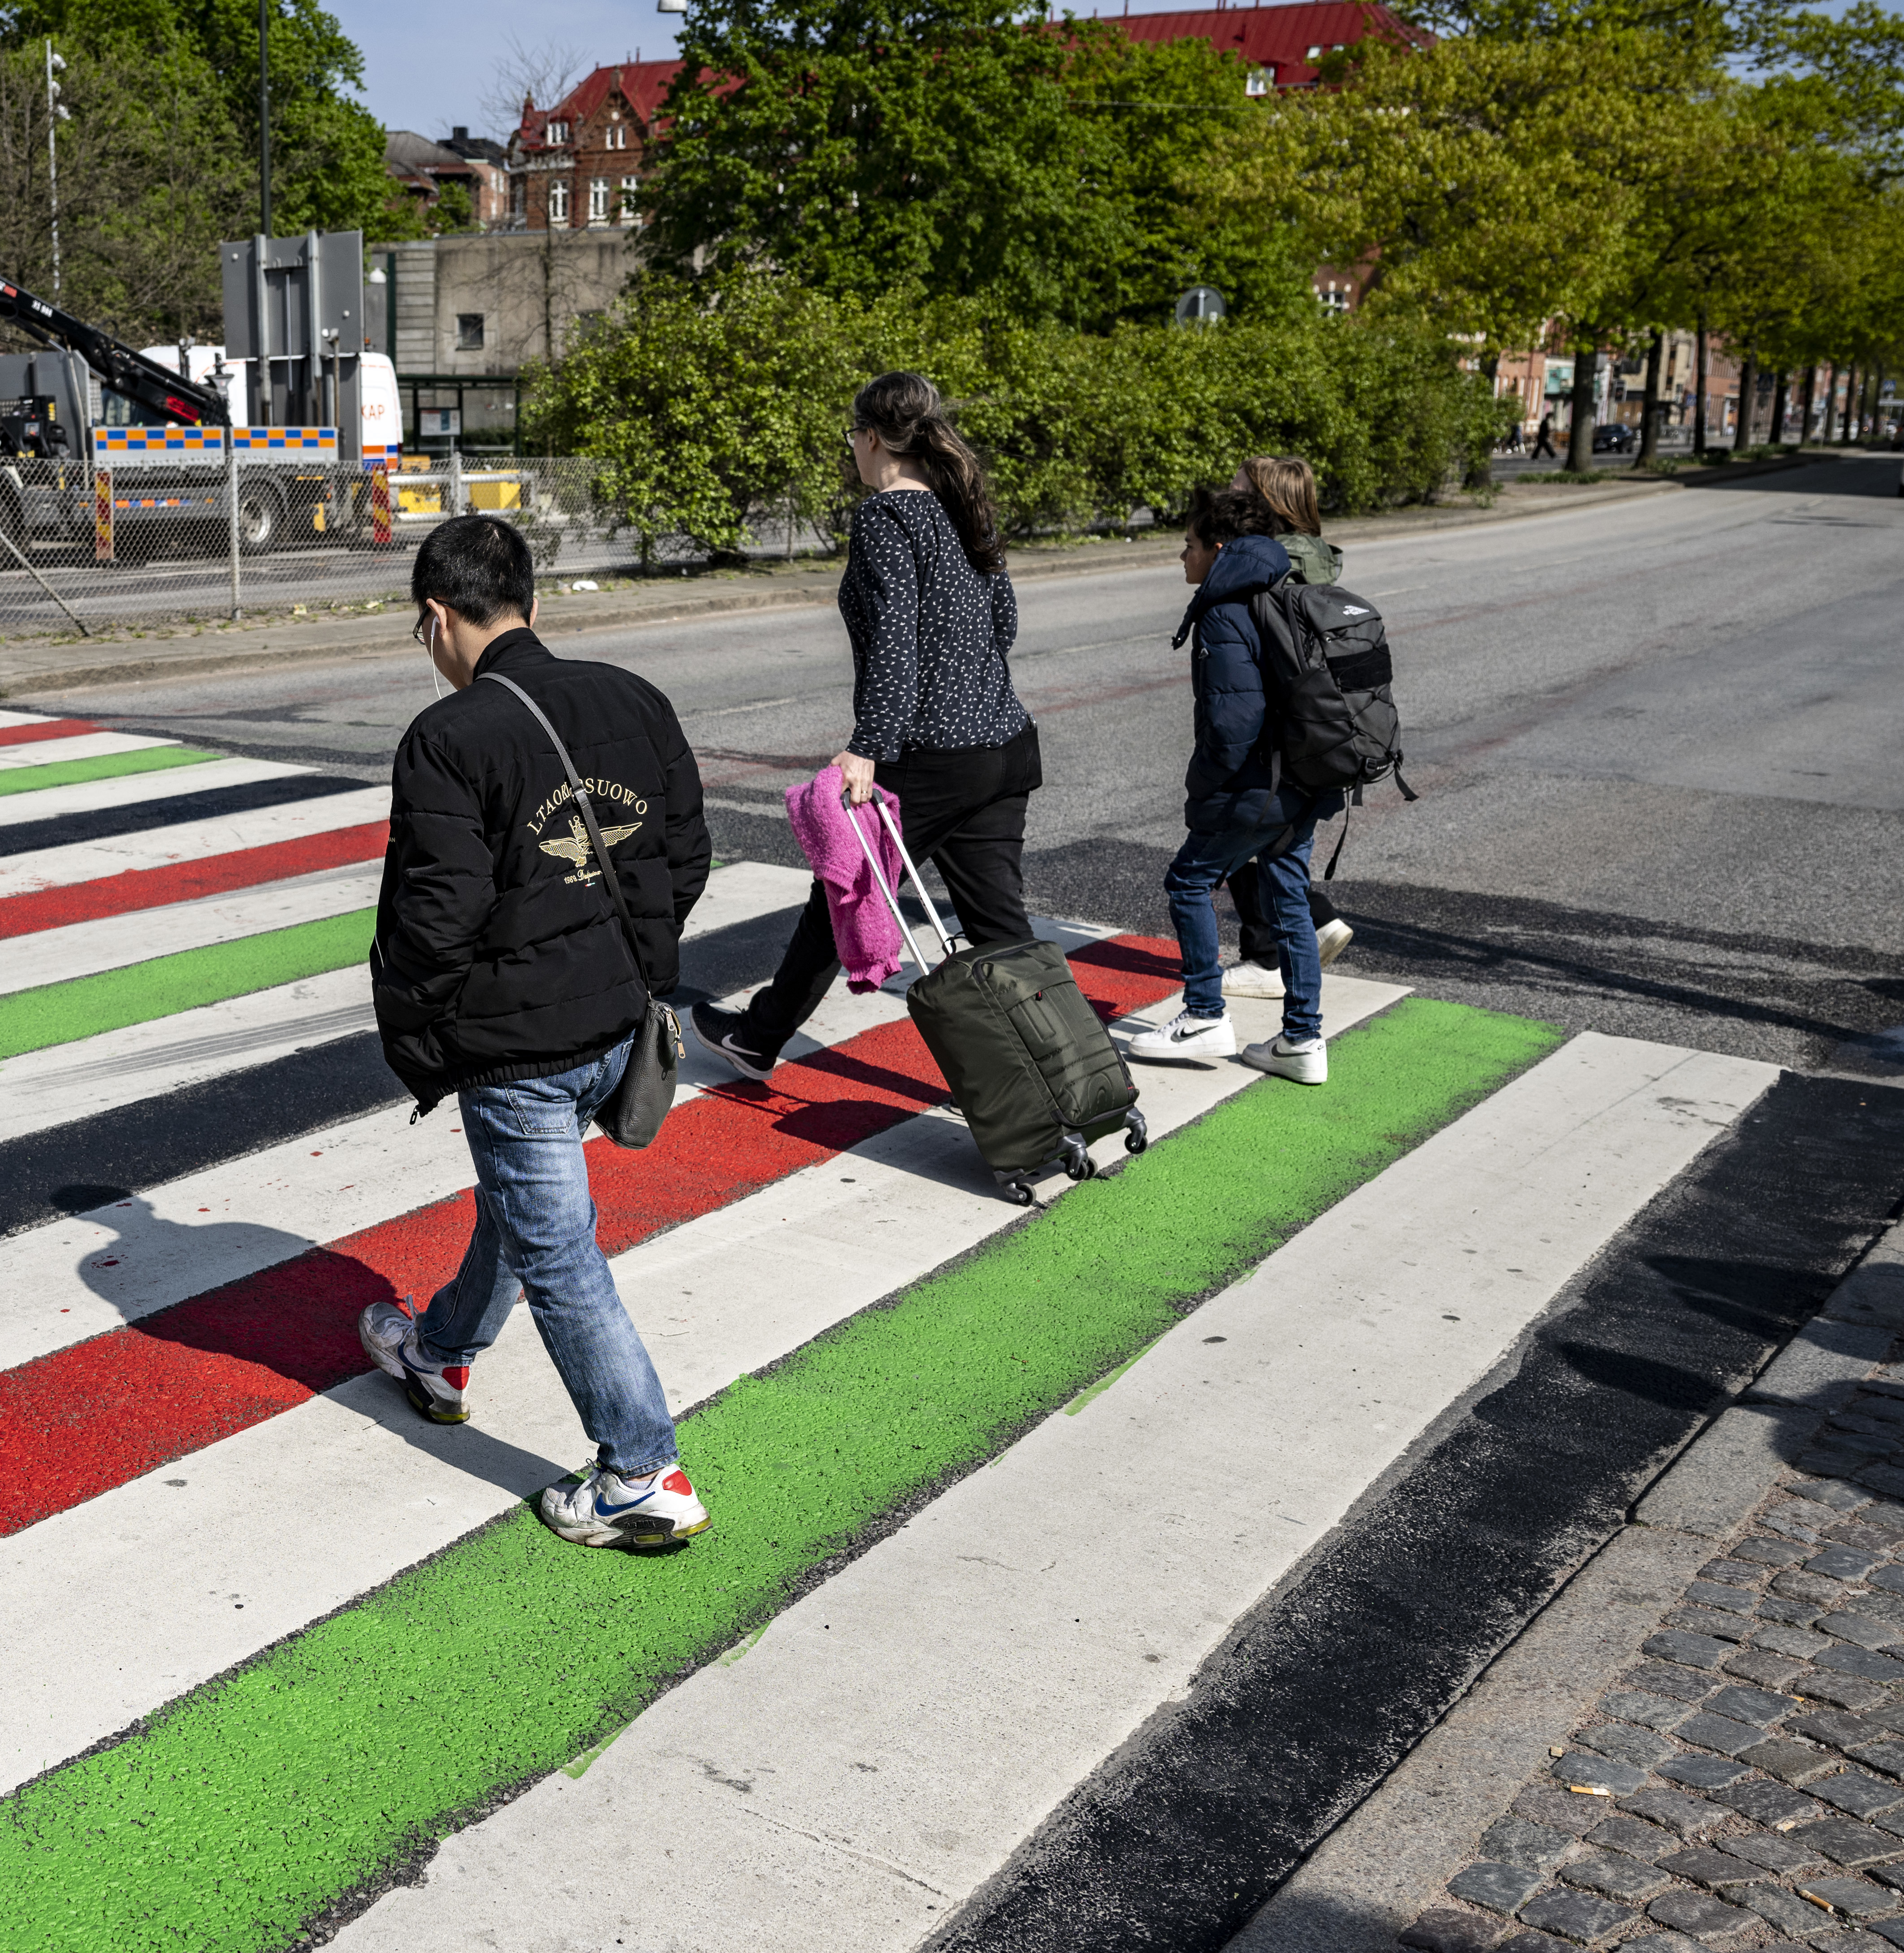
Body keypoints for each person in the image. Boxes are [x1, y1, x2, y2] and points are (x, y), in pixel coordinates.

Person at [355, 513, 715, 1551]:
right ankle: (440, 1352)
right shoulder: (633, 698)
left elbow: (435, 921)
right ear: (531, 603)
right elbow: (684, 856)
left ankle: (640, 1471)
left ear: (435, 618)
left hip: (518, 1052)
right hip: (619, 1021)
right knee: (525, 1206)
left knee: (559, 1254)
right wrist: (633, 968)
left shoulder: (449, 737)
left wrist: (424, 1033)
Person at [695, 371, 1036, 1082]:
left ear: (872, 437)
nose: (852, 448)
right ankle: (1052, 1067)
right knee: (1002, 929)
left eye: (853, 436)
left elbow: (895, 640)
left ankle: (759, 1036)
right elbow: (1002, 623)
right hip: (1004, 743)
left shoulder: (887, 516)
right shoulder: (964, 506)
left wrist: (867, 746)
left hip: (932, 752)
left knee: (847, 887)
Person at [1120, 485, 1335, 1084]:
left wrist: (1204, 790)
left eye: (1188, 544)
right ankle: (1302, 1039)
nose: (1181, 556)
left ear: (1217, 548)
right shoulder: (1286, 587)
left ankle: (1204, 1014)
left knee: (1188, 880)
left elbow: (1233, 721)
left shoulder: (1224, 609)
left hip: (1257, 783)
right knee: (1288, 898)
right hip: (1304, 776)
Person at [1218, 456, 1354, 1004]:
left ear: (1264, 503)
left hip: (1269, 724)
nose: (1226, 495)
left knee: (1232, 832)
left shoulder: (1266, 565)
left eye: (1236, 489)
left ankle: (1267, 957)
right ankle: (1305, 927)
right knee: (1277, 838)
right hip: (1314, 725)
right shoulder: (1313, 559)